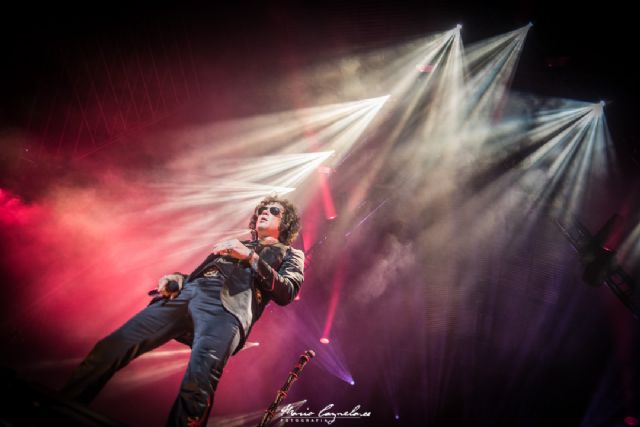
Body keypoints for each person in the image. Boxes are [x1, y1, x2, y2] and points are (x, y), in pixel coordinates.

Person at [61, 196, 304, 427]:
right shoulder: (237, 245)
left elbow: (287, 291)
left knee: (198, 383)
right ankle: (60, 411)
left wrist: (250, 256)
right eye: (262, 209)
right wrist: (178, 279)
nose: (264, 212)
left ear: (286, 223)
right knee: (112, 346)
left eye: (274, 211)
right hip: (188, 294)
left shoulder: (290, 254)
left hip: (226, 311)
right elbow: (202, 274)